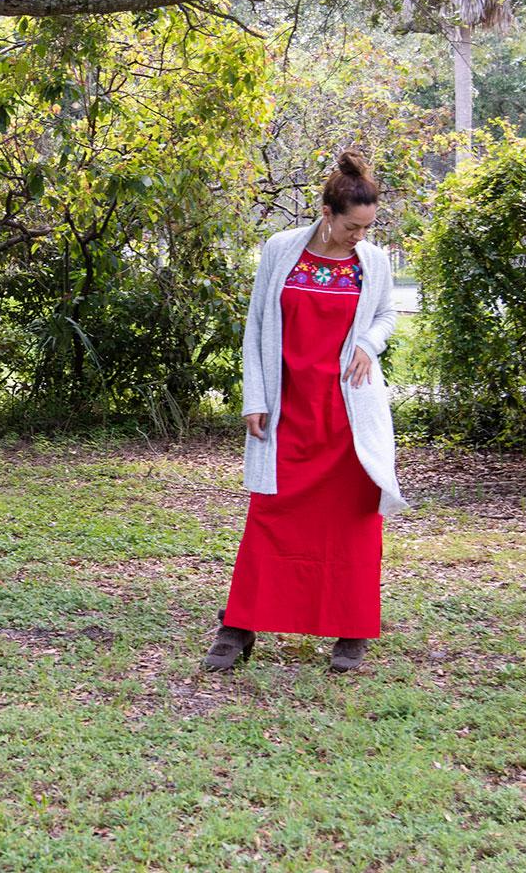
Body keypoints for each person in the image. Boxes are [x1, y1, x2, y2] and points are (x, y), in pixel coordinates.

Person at [203, 149, 409, 674]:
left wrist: (368, 341)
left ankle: (353, 632)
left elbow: (386, 315)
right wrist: (255, 397)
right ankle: (239, 628)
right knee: (270, 518)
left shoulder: (375, 262)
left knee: (354, 522)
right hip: (288, 410)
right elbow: (255, 326)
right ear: (327, 213)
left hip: (347, 415)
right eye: (351, 227)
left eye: (367, 228)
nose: (358, 237)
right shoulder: (281, 251)